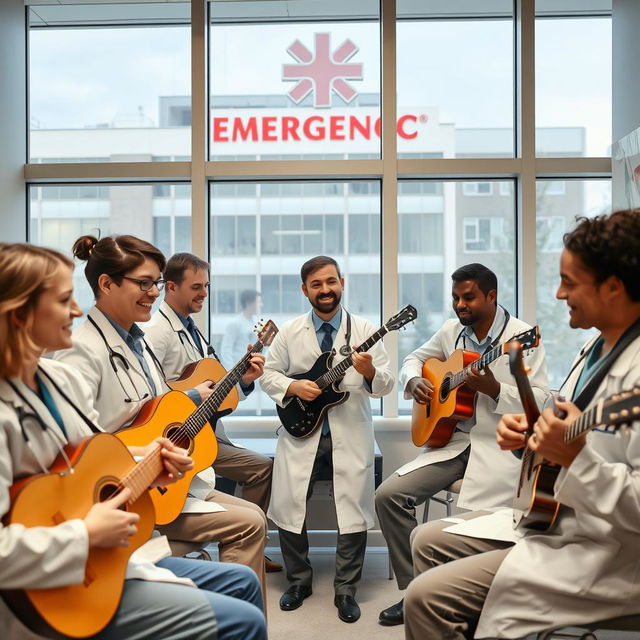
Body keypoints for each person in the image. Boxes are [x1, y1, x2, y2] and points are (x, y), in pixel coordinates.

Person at [0, 243, 266, 640]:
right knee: (244, 621)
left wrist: (150, 461)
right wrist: (85, 535)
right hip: (51, 579)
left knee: (243, 583)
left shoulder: (60, 381)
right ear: (18, 313)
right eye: (63, 300)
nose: (76, 311)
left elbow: (94, 461)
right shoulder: (72, 366)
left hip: (103, 548)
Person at [404, 209, 640, 639]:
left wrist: (572, 456)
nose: (557, 294)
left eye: (569, 282)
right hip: (550, 514)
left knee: (427, 597)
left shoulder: (630, 366)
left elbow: (603, 472)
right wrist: (528, 439)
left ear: (612, 286)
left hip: (605, 549)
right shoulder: (594, 349)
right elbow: (557, 416)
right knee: (425, 539)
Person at [375, 263, 549, 626]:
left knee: (477, 526)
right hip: (452, 443)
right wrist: (413, 383)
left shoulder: (521, 336)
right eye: (455, 298)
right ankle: (417, 592)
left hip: (499, 448)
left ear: (491, 295)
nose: (459, 305)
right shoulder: (451, 331)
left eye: (467, 297)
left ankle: (467, 595)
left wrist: (495, 389)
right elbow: (413, 360)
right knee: (387, 496)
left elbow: (543, 400)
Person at [261, 255, 394, 623]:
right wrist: (292, 385)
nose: (325, 290)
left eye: (331, 282)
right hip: (302, 432)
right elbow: (269, 375)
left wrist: (369, 372)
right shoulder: (290, 332)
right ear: (305, 290)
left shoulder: (366, 330)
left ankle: (346, 589)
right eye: (317, 284)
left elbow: (385, 384)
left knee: (352, 510)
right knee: (289, 504)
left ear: (342, 283)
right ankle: (299, 581)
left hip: (348, 434)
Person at [144, 253, 280, 572]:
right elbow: (147, 395)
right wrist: (191, 395)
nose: (203, 293)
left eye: (206, 285)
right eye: (196, 286)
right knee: (260, 469)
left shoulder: (194, 330)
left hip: (206, 434)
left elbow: (216, 396)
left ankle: (248, 545)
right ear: (171, 287)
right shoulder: (157, 332)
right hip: (176, 439)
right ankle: (242, 542)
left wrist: (244, 381)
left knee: (262, 467)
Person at [220, 289, 262, 369]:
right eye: (258, 302)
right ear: (249, 302)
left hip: (252, 371)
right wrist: (230, 373)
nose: (261, 305)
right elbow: (226, 350)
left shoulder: (256, 324)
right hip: (236, 373)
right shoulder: (235, 323)